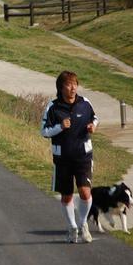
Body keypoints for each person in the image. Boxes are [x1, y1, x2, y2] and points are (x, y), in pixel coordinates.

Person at [41, 71, 98, 244]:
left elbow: (95, 118)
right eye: (68, 84)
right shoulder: (53, 107)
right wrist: (60, 127)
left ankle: (82, 224)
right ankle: (72, 227)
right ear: (61, 87)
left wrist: (92, 126)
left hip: (83, 156)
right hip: (62, 159)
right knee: (66, 196)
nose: (73, 88)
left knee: (85, 192)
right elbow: (44, 131)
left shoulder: (84, 103)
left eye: (75, 84)